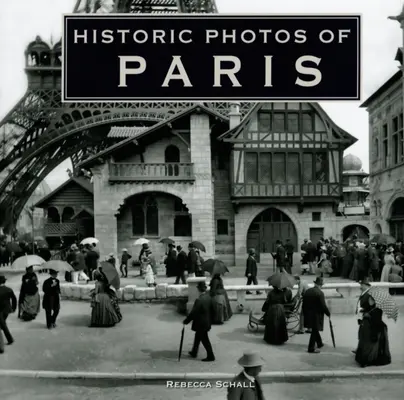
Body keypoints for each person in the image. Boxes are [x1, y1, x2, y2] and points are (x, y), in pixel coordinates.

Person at [355, 288, 391, 367]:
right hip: (368, 330)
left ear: (375, 301)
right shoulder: (371, 308)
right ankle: (366, 359)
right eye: (369, 299)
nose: (369, 301)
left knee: (373, 347)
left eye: (371, 300)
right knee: (367, 346)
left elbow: (376, 322)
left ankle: (368, 360)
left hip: (374, 330)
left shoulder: (378, 310)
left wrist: (368, 317)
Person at [183, 281, 215, 362]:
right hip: (207, 322)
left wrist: (186, 321)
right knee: (198, 336)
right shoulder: (209, 297)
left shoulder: (199, 300)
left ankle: (211, 356)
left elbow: (193, 313)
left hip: (201, 323)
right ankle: (194, 352)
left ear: (198, 289)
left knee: (205, 340)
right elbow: (212, 310)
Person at [302, 277, 331, 353]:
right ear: (320, 285)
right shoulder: (320, 293)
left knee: (315, 329)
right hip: (316, 315)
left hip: (308, 313)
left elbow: (303, 304)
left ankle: (319, 343)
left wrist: (304, 313)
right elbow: (323, 306)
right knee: (314, 330)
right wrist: (328, 313)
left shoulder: (308, 291)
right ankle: (311, 348)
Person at [0, 274, 16, 353]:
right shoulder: (9, 289)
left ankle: (8, 340)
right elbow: (14, 299)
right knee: (2, 324)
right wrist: (14, 308)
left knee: (2, 325)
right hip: (7, 310)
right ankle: (9, 339)